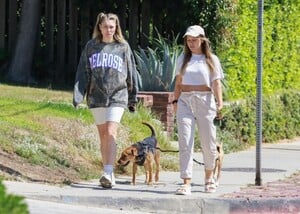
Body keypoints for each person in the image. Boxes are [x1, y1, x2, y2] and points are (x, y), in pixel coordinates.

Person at [73, 12, 139, 188]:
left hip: (118, 95)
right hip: (96, 97)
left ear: (116, 28)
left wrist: (133, 98)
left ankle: (108, 172)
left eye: (112, 26)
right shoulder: (91, 46)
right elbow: (83, 71)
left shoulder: (123, 47)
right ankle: (107, 170)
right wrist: (78, 95)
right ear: (99, 27)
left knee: (110, 132)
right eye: (105, 26)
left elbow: (131, 72)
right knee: (103, 136)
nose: (108, 29)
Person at [172, 25, 224, 194]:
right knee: (185, 141)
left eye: (194, 40)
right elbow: (178, 82)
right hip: (185, 100)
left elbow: (216, 83)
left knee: (208, 141)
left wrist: (219, 102)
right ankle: (186, 182)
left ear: (202, 40)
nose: (191, 43)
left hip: (205, 99)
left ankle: (209, 178)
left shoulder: (211, 59)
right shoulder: (183, 59)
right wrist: (175, 100)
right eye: (188, 40)